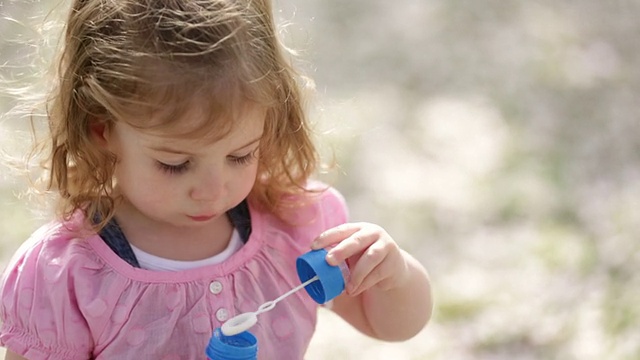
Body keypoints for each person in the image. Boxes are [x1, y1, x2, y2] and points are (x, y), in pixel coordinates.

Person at [0, 0, 432, 359]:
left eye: (240, 156)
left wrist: (395, 276)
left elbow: (389, 324)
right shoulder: (68, 272)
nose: (213, 189)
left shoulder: (294, 226)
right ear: (103, 130)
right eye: (175, 163)